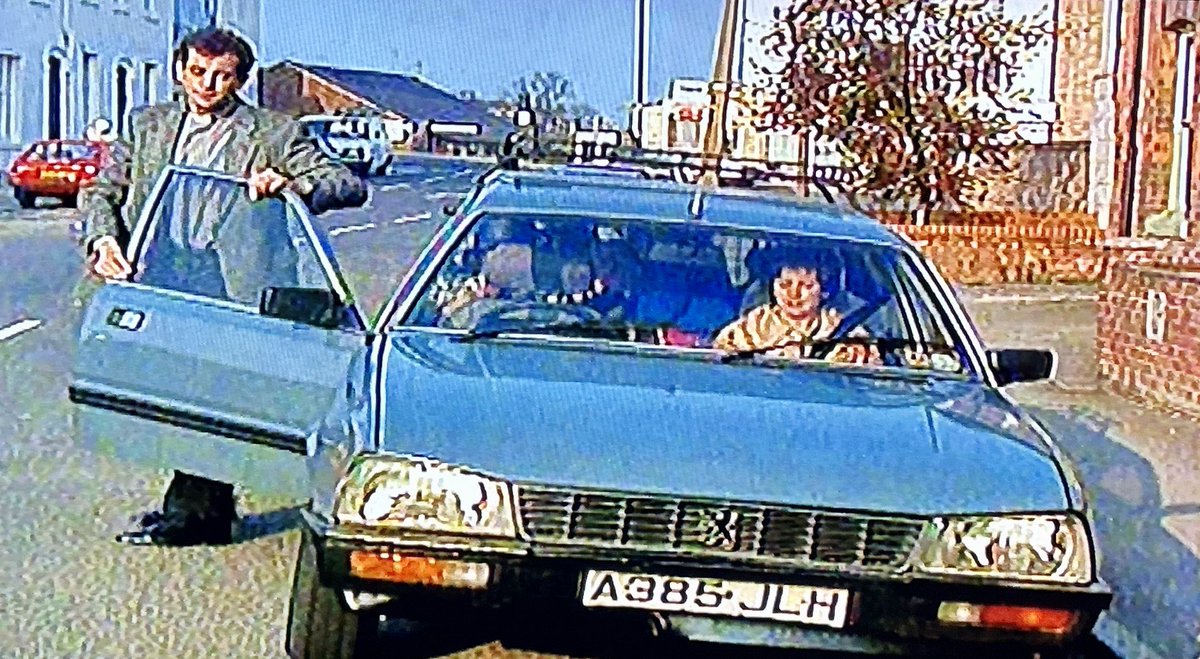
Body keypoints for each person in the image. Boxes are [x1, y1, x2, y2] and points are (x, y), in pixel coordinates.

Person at [75, 27, 368, 547]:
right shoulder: (148, 125)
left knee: (211, 391)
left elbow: (347, 184)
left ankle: (196, 513)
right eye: (197, 73)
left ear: (239, 80)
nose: (207, 85)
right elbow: (103, 191)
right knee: (165, 387)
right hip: (161, 271)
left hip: (231, 280)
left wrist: (290, 183)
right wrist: (103, 240)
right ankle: (194, 505)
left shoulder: (272, 132)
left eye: (222, 76)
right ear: (178, 71)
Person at [712, 255, 877, 365]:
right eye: (785, 284)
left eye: (806, 286)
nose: (793, 294)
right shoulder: (748, 328)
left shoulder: (847, 333)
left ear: (825, 290)